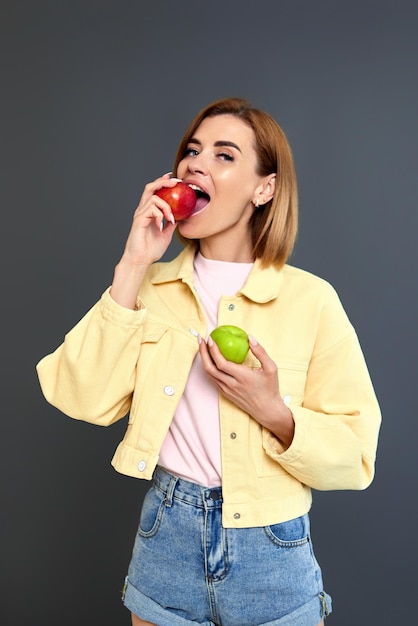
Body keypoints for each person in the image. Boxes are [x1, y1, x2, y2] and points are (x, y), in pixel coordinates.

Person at [36, 97, 381, 626]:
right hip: (166, 541)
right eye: (192, 151)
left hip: (272, 549)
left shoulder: (312, 300)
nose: (195, 163)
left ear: (263, 188)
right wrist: (132, 265)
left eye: (224, 155)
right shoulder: (148, 289)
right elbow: (80, 398)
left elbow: (357, 455)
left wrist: (275, 413)